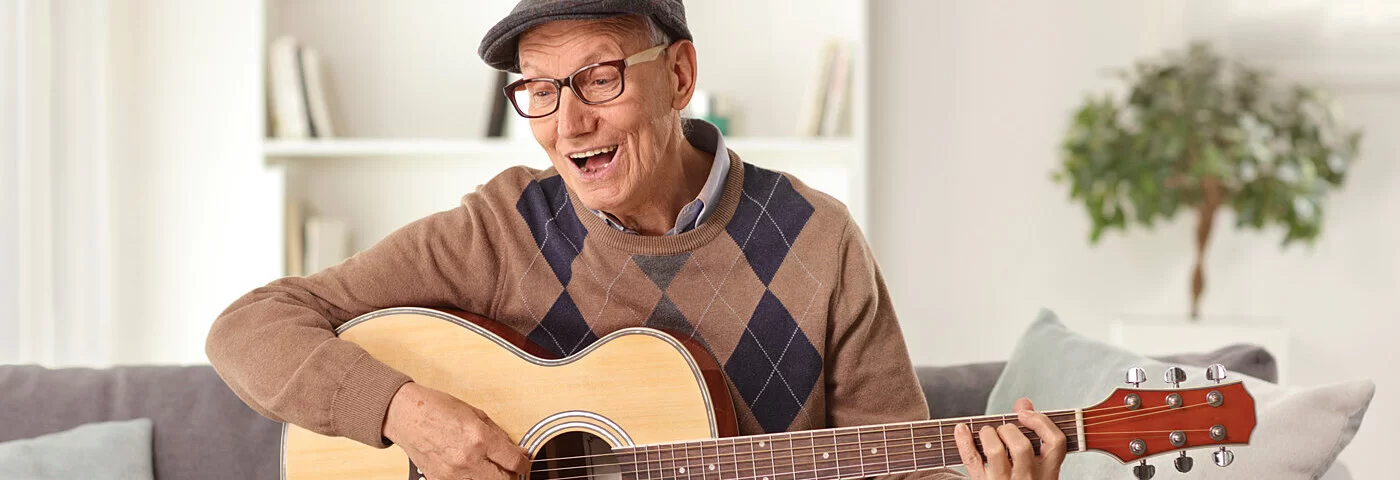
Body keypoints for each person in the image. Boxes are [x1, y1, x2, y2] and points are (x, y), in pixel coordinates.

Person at [205, 1, 1067, 479]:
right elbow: (248, 326)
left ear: (681, 74)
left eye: (599, 78)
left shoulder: (818, 240)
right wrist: (407, 413)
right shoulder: (499, 230)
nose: (567, 120)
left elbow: (899, 466)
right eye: (538, 90)